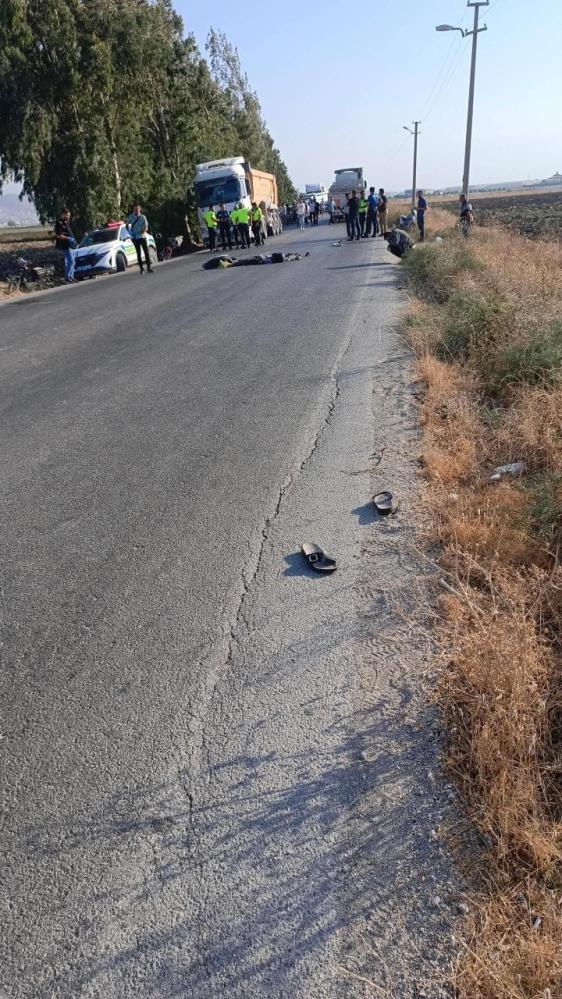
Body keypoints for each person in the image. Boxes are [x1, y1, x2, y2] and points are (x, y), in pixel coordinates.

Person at [126, 202, 153, 273]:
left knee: (146, 252)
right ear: (133, 209)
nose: (136, 210)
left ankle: (149, 267)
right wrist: (130, 233)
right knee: (138, 253)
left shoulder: (143, 217)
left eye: (138, 208)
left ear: (140, 209)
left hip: (142, 236)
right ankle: (141, 269)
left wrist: (140, 233)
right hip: (135, 237)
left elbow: (146, 227)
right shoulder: (130, 217)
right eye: (135, 209)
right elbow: (126, 225)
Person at [54, 207, 77, 283]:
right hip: (64, 245)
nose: (69, 217)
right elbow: (58, 235)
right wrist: (69, 238)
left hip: (70, 244)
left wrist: (73, 240)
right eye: (67, 215)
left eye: (69, 215)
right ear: (63, 214)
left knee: (73, 261)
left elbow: (68, 232)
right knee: (70, 261)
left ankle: (71, 276)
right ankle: (67, 277)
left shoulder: (66, 222)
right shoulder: (59, 223)